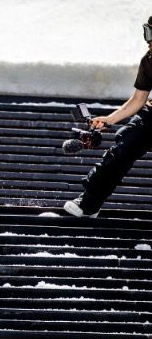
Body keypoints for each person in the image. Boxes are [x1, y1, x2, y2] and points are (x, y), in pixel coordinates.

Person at [64, 16, 152, 218]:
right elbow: (138, 99)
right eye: (148, 33)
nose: (149, 41)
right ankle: (90, 202)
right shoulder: (149, 60)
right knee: (123, 146)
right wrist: (109, 119)